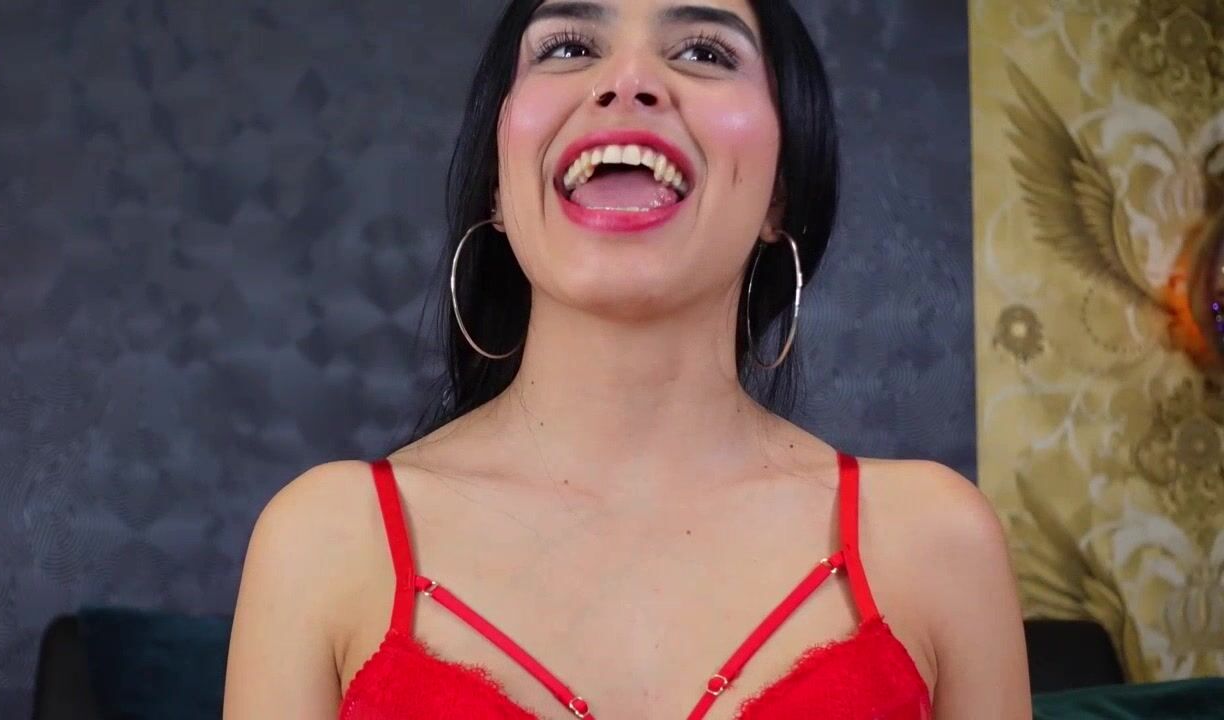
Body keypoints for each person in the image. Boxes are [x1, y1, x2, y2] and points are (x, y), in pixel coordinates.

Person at [224, 1, 1031, 717]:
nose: (629, 81)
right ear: (498, 184)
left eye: (704, 52)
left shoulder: (936, 541)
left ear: (781, 191)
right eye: (569, 47)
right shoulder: (324, 539)